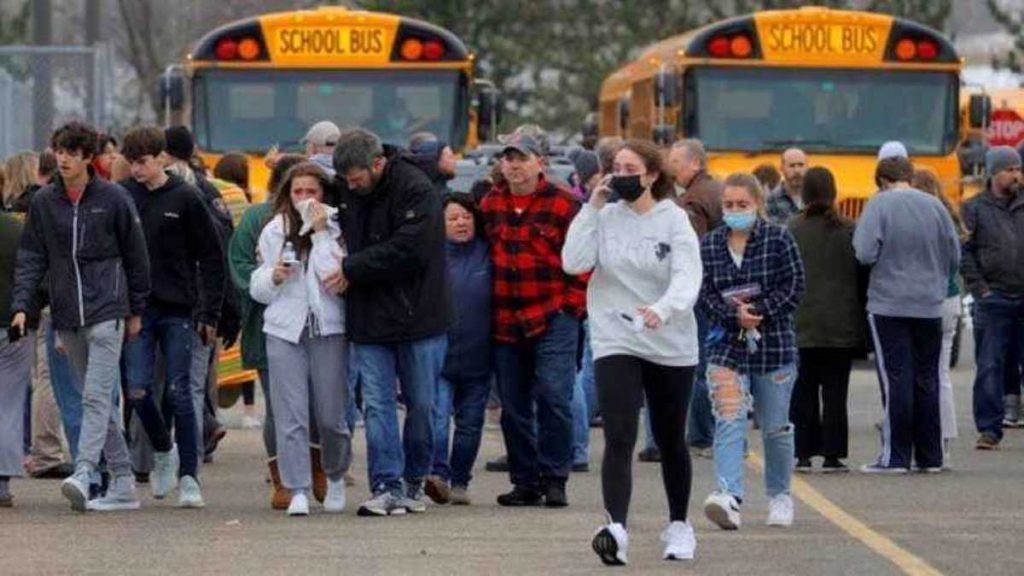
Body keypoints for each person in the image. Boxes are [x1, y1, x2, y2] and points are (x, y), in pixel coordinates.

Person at [563, 139, 702, 564]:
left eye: (630, 167)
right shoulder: (603, 216)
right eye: (615, 167)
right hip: (616, 336)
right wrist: (591, 208)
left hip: (669, 339)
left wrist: (663, 309)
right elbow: (573, 262)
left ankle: (679, 525)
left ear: (652, 175)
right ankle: (616, 529)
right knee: (620, 434)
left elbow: (687, 277)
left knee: (669, 437)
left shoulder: (674, 220)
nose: (620, 174)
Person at [11, 121, 151, 512]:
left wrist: (137, 308)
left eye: (73, 153)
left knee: (95, 395)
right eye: (60, 151)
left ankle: (86, 470)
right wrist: (22, 304)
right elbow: (31, 257)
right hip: (66, 313)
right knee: (94, 401)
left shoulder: (113, 198)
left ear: (88, 157)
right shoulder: (43, 202)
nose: (65, 159)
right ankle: (122, 481)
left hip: (108, 309)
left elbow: (137, 256)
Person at [332, 128, 451, 516]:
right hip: (369, 315)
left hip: (419, 314)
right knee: (379, 406)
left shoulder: (416, 189)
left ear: (378, 164)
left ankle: (415, 480)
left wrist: (352, 267)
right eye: (347, 181)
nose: (352, 186)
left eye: (357, 179)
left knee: (421, 404)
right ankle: (385, 483)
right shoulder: (346, 190)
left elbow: (410, 250)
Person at [119, 126, 226, 508]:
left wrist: (209, 313)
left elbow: (212, 258)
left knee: (181, 392)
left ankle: (190, 478)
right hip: (138, 311)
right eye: (131, 162)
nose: (137, 169)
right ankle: (163, 447)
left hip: (180, 309)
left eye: (143, 162)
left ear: (161, 157)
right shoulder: (124, 197)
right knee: (137, 389)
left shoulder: (186, 198)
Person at [480, 132, 586, 508]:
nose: (514, 165)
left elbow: (583, 257)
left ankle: (555, 477)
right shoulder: (490, 204)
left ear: (540, 162)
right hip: (506, 319)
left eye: (521, 158)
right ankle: (525, 480)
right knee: (513, 406)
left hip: (553, 315)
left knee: (556, 397)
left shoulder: (564, 204)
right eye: (508, 158)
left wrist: (572, 306)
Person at [700, 172, 805, 530]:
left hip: (773, 344)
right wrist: (734, 315)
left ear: (757, 204)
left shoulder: (779, 239)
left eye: (742, 205)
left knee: (775, 426)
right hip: (726, 345)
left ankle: (780, 495)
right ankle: (729, 495)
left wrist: (759, 312)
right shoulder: (711, 245)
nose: (735, 211)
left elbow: (794, 286)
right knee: (729, 419)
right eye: (728, 205)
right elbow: (703, 293)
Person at [251, 162, 351, 516]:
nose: (305, 199)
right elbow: (258, 288)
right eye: (298, 192)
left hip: (328, 327)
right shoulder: (274, 230)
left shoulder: (338, 228)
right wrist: (273, 277)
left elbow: (332, 278)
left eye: (312, 192)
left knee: (330, 414)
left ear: (324, 193)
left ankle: (336, 474)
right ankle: (297, 488)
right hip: (283, 329)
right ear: (287, 195)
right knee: (289, 413)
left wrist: (322, 233)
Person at [853, 156, 959, 471]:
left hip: (889, 304)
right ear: (908, 177)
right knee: (928, 378)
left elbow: (864, 252)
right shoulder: (935, 205)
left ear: (882, 180)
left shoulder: (878, 205)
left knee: (896, 378)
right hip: (929, 303)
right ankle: (931, 456)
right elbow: (954, 254)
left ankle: (895, 456)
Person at [229, 154, 315, 510]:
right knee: (279, 406)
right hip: (269, 325)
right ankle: (281, 477)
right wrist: (266, 284)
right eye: (297, 188)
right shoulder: (257, 218)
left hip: (315, 325)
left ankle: (316, 467)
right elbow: (240, 266)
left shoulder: (325, 218)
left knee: (316, 403)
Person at [162, 126, 238, 465]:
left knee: (174, 381)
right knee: (194, 381)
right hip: (205, 302)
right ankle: (195, 444)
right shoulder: (211, 192)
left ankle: (184, 451)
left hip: (180, 301)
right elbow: (225, 251)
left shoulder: (171, 191)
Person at [788, 167, 865, 473]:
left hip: (802, 323)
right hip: (840, 324)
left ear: (804, 193)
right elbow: (862, 275)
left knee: (803, 389)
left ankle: (803, 452)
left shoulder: (792, 229)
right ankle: (833, 454)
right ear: (833, 192)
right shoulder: (849, 229)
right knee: (836, 392)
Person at [424, 193, 492, 506]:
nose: (461, 223)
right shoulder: (430, 256)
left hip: (479, 355)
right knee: (437, 418)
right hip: (439, 354)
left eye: (466, 216)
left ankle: (460, 480)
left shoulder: (489, 252)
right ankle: (437, 475)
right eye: (452, 218)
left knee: (470, 422)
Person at [961, 146, 1024, 451]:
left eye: (1018, 169)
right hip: (993, 298)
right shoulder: (974, 208)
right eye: (1009, 170)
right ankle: (989, 428)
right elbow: (966, 253)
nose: (1016, 175)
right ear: (994, 173)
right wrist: (980, 289)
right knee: (989, 365)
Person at [667, 138, 723, 460]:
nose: (672, 168)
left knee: (701, 365)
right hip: (721, 290)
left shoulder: (694, 200)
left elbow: (692, 251)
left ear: (695, 164)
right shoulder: (716, 190)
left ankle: (702, 435)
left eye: (677, 162)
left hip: (703, 293)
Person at [912, 168, 963, 463]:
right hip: (950, 296)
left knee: (923, 374)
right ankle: (944, 439)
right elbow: (956, 258)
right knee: (941, 374)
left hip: (926, 299)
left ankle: (928, 438)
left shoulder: (920, 219)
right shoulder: (948, 216)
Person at [0, 208, 39, 507]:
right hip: (16, 326)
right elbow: (39, 275)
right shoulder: (19, 231)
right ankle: (1, 480)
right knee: (9, 404)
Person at [765, 148, 807, 225]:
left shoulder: (815, 199)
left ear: (807, 167)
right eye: (792, 166)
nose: (797, 170)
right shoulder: (770, 200)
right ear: (782, 168)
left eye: (801, 165)